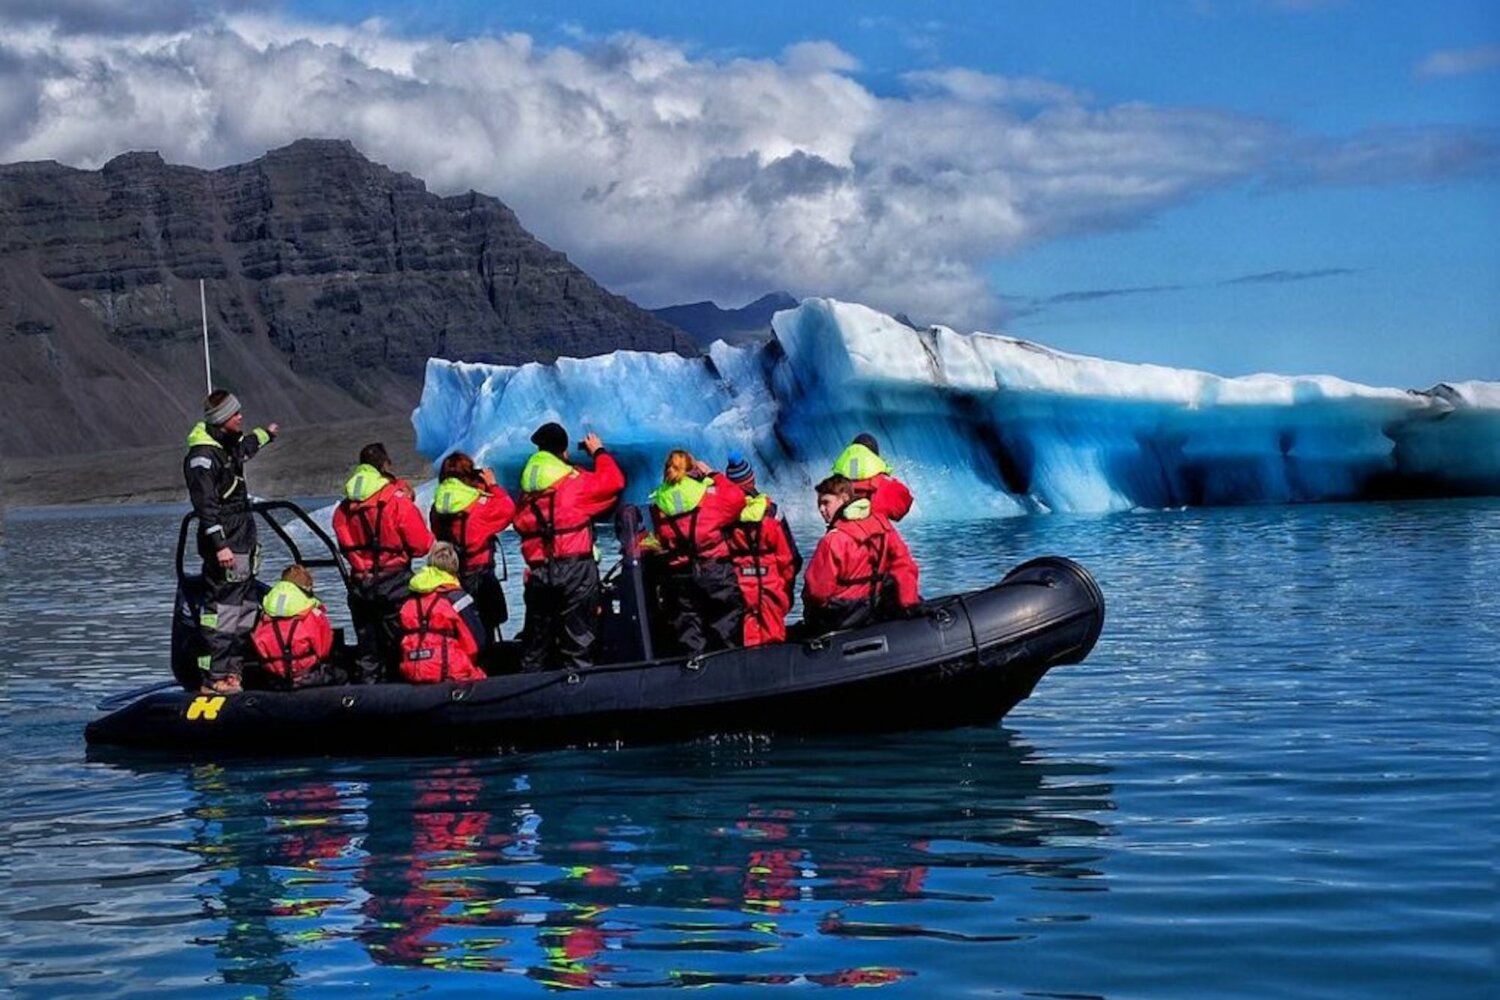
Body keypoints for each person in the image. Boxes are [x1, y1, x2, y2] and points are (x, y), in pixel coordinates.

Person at [183, 388, 278, 694]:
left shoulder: (229, 446)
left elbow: (248, 446)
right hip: (226, 543)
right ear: (222, 419)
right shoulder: (203, 459)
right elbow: (206, 508)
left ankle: (233, 673)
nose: (241, 417)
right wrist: (220, 545)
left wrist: (267, 434)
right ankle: (213, 677)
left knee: (245, 609)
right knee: (221, 613)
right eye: (236, 414)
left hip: (244, 539)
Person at [512, 422, 625, 672]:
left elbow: (519, 522)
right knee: (578, 640)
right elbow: (614, 482)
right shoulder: (572, 484)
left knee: (536, 643)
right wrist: (598, 452)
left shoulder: (527, 492)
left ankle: (529, 695)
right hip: (575, 570)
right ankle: (579, 692)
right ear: (563, 452)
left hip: (539, 572)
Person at [332, 442, 433, 682]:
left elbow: (346, 546)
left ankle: (369, 697)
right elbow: (422, 545)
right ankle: (408, 693)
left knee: (368, 650)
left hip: (361, 585)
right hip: (395, 583)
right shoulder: (396, 502)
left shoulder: (344, 509)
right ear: (385, 466)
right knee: (405, 644)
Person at [649, 449, 747, 654]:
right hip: (714, 569)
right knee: (726, 626)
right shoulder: (707, 496)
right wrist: (713, 474)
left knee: (689, 629)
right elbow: (737, 499)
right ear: (692, 469)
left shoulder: (659, 504)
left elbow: (663, 536)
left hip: (680, 575)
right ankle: (729, 672)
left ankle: (695, 671)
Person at [802, 474, 921, 633]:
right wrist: (909, 603)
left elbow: (817, 592)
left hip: (839, 619)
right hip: (871, 610)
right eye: (819, 505)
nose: (822, 509)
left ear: (844, 499)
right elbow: (904, 566)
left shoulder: (833, 541)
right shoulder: (882, 527)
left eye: (826, 503)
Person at [429, 452, 517, 646]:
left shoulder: (437, 508)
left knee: (462, 626)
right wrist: (492, 485)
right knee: (486, 624)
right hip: (480, 573)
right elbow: (507, 509)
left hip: (452, 576)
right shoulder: (477, 505)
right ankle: (488, 664)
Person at [723, 452, 802, 646]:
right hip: (771, 584)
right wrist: (787, 588)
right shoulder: (772, 513)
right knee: (774, 635)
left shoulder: (726, 517)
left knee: (747, 636)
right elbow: (789, 558)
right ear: (752, 479)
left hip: (741, 585)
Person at [396, 543, 487, 684]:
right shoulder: (458, 598)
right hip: (449, 670)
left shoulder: (409, 601)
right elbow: (476, 643)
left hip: (412, 670)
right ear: (455, 565)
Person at [248, 564, 337, 690]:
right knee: (340, 675)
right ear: (307, 587)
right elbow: (323, 650)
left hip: (274, 678)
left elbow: (258, 644)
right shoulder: (313, 614)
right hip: (308, 677)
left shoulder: (265, 615)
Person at [830, 432, 913, 521]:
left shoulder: (839, 476)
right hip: (870, 526)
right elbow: (900, 509)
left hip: (842, 527)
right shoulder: (880, 477)